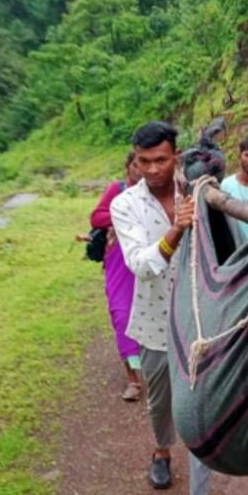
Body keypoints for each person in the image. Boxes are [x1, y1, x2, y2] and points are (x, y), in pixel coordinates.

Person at [110, 121, 224, 495]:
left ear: (176, 156)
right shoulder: (125, 205)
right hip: (156, 324)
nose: (153, 169)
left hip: (198, 323)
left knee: (198, 414)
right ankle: (161, 450)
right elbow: (141, 264)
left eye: (161, 160)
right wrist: (176, 229)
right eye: (144, 162)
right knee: (160, 406)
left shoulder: (201, 191)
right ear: (134, 161)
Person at [89, 152, 146, 402]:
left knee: (148, 311)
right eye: (136, 165)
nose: (140, 170)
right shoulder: (118, 190)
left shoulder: (153, 192)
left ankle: (155, 372)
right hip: (118, 262)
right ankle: (133, 379)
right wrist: (123, 214)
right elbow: (96, 217)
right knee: (121, 314)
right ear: (127, 168)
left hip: (146, 259)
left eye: (143, 164)